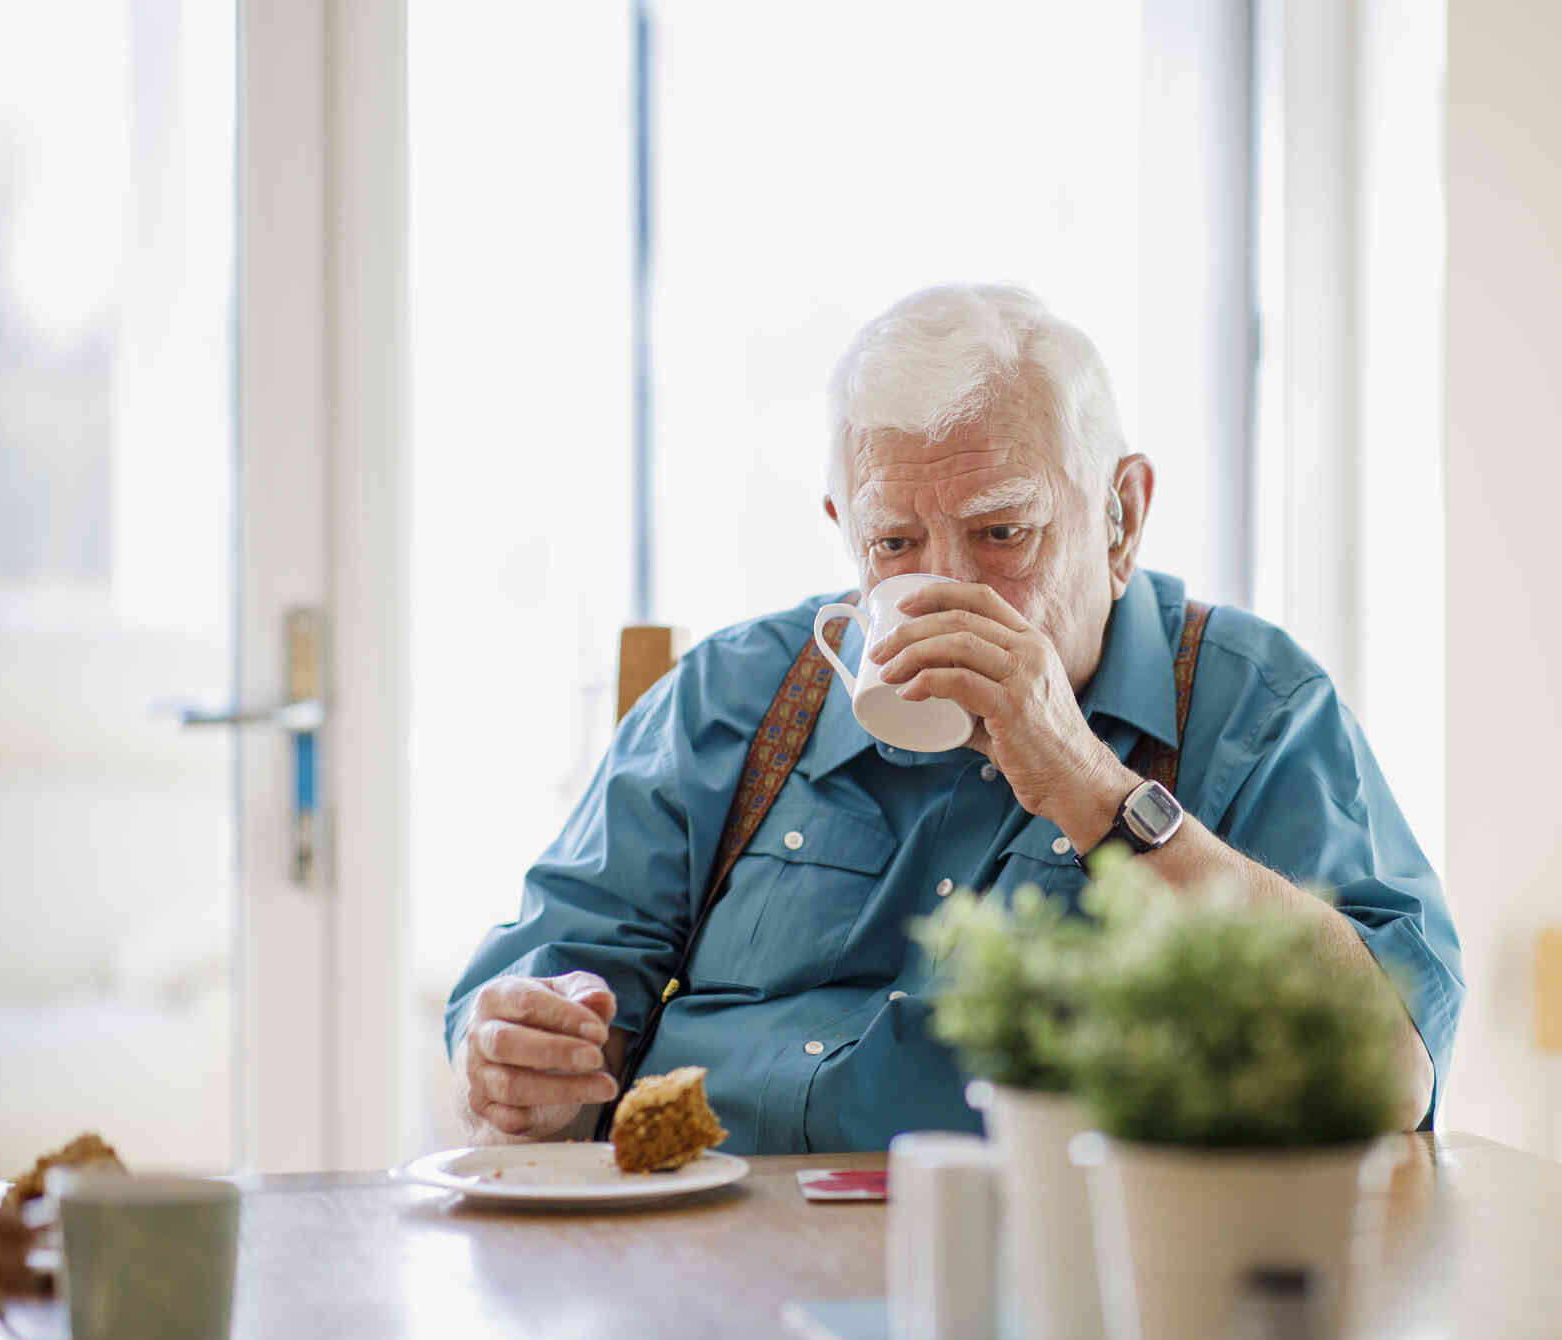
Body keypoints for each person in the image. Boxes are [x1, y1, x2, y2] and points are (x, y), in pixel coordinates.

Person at [445, 284, 1462, 1153]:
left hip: (1056, 1287)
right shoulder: (739, 695)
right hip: (711, 1262)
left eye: (1001, 532)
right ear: (846, 535)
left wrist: (1092, 788)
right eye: (895, 543)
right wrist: (524, 1054)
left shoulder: (1253, 708)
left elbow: (1385, 1076)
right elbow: (544, 988)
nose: (946, 589)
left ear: (1122, 517)